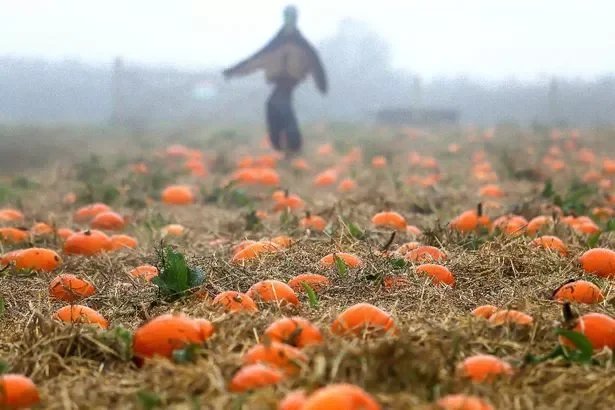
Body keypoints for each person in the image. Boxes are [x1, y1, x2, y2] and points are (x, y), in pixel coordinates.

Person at [223, 5, 328, 156]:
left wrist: (321, 83)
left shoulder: (301, 44)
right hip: (279, 81)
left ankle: (291, 145)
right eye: (287, 17)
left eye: (291, 17)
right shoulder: (278, 42)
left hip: (290, 81)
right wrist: (234, 71)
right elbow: (255, 60)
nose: (289, 20)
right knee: (277, 107)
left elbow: (316, 65)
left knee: (278, 105)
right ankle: (285, 145)